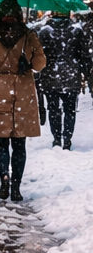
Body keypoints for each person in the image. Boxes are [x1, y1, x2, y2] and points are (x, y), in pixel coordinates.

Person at [0, 0, 46, 201]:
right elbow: (40, 64)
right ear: (18, 14)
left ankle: (4, 177)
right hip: (22, 90)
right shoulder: (28, 35)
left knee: (1, 141)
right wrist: (28, 60)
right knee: (19, 143)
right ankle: (16, 187)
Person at [35, 9, 92, 150]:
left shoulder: (44, 32)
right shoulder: (76, 31)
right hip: (71, 76)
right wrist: (87, 74)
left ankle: (56, 138)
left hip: (50, 76)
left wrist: (38, 72)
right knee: (70, 109)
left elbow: (39, 56)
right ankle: (67, 139)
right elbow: (84, 56)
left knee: (53, 109)